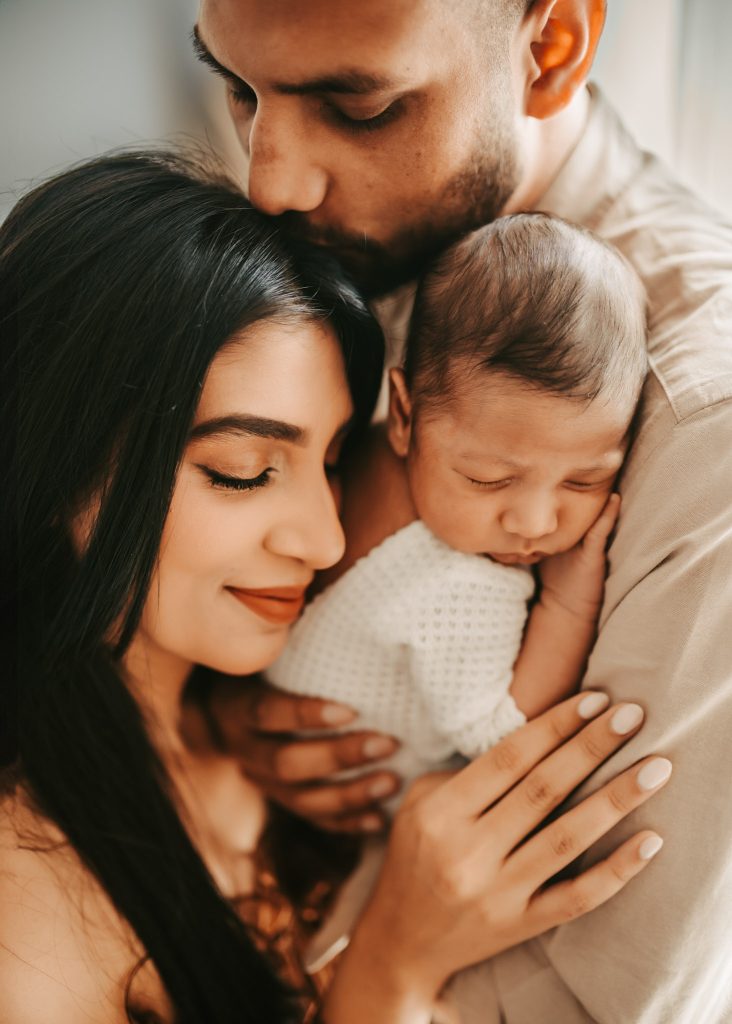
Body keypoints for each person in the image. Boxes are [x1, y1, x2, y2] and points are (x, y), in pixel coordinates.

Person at [0, 151, 669, 1024]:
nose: (322, 539)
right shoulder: (27, 907)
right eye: (242, 471)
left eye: (332, 459)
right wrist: (390, 968)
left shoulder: (270, 718)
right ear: (53, 462)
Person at [191, 1, 732, 1020]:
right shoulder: (333, 240)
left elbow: (599, 999)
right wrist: (238, 714)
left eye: (359, 106)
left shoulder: (710, 434)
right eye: (240, 89)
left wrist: (376, 966)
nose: (269, 180)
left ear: (553, 47)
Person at [268, 213, 647, 800]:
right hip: (360, 795)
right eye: (488, 479)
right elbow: (496, 737)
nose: (535, 524)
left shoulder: (377, 456)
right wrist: (570, 604)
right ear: (403, 415)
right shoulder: (459, 578)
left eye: (583, 481)